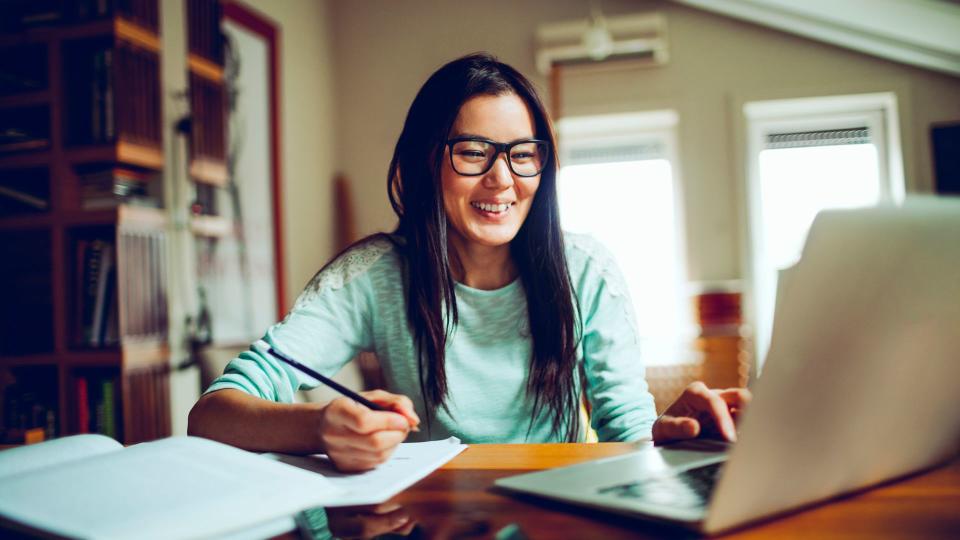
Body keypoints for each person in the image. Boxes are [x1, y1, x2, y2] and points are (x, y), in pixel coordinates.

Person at [188, 52, 750, 472]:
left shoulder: (587, 272)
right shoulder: (373, 275)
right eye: (474, 152)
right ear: (427, 160)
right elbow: (211, 416)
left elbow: (626, 433)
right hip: (428, 517)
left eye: (522, 154)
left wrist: (675, 432)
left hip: (555, 513)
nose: (502, 179)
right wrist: (319, 425)